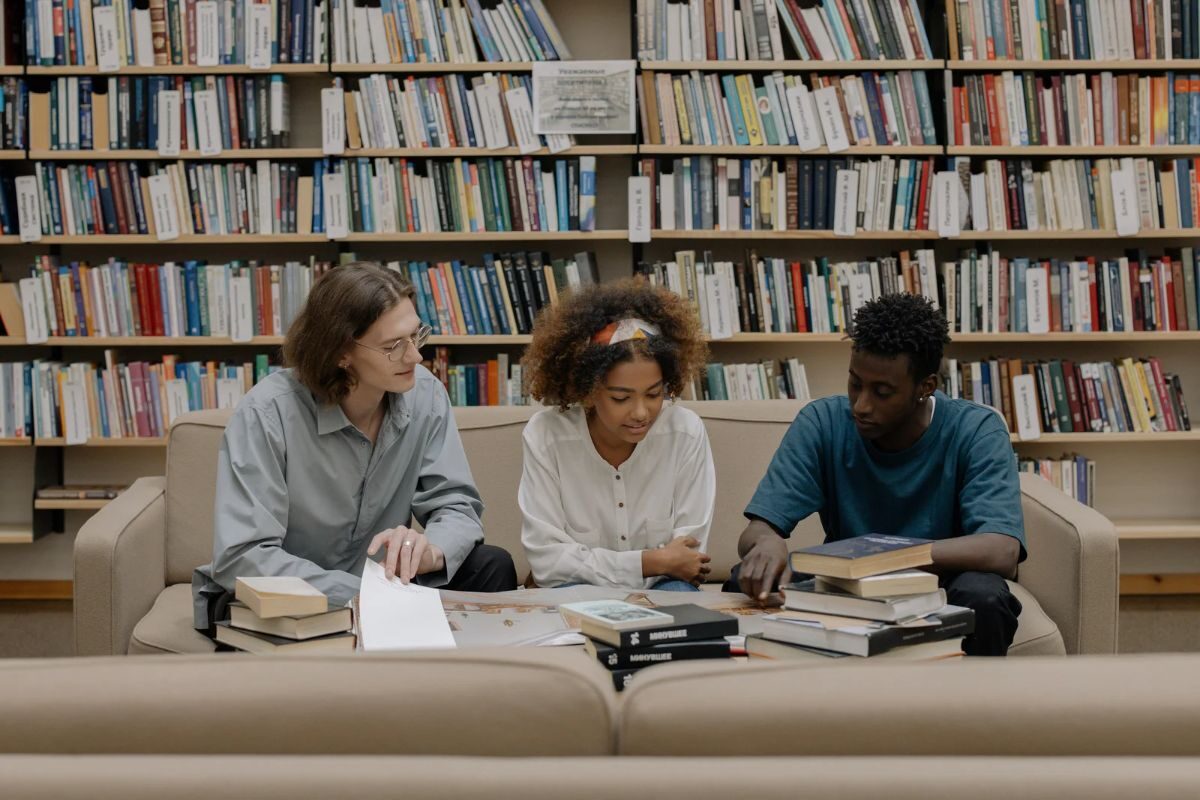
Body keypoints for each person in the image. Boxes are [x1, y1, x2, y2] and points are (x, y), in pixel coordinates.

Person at [193, 262, 517, 636]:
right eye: (394, 346)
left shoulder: (424, 394)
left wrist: (431, 551)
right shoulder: (267, 414)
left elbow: (456, 504)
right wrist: (369, 595)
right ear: (341, 352)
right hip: (290, 595)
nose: (415, 357)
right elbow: (243, 556)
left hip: (382, 586)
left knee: (492, 565)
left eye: (416, 336)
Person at [728, 293, 1025, 656]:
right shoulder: (822, 423)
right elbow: (757, 530)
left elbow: (1001, 550)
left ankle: (971, 711)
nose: (861, 405)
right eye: (855, 383)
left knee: (985, 595)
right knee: (745, 577)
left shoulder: (977, 429)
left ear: (925, 387)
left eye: (882, 392)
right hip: (847, 583)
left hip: (942, 582)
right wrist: (767, 542)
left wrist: (886, 557)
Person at [518, 278, 716, 591]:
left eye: (654, 394)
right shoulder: (546, 436)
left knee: (680, 598)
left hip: (665, 586)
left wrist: (661, 565)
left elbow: (687, 560)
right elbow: (548, 563)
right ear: (589, 391)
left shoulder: (685, 433)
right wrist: (650, 561)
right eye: (621, 398)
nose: (641, 412)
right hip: (577, 590)